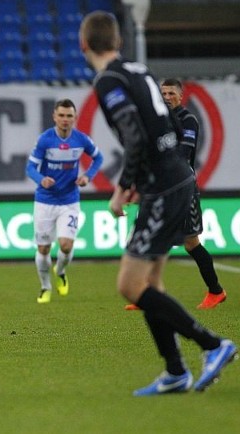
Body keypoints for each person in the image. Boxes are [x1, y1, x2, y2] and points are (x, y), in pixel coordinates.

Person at [79, 11, 237, 395]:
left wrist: (124, 185)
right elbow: (163, 124)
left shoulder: (108, 81)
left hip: (164, 187)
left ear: (84, 46)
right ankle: (175, 372)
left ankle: (213, 345)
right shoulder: (138, 69)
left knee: (130, 285)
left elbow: (133, 136)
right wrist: (146, 176)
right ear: (118, 41)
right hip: (174, 177)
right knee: (150, 282)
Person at [124, 78, 228, 311]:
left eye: (171, 93)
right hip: (160, 188)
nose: (167, 96)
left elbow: (184, 152)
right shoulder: (159, 122)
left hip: (183, 188)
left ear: (181, 96)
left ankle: (216, 290)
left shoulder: (187, 120)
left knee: (191, 243)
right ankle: (146, 294)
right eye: (163, 93)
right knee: (154, 239)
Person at [26, 99, 103, 304]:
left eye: (69, 116)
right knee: (43, 249)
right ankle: (45, 287)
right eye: (61, 115)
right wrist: (41, 179)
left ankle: (60, 271)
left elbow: (98, 158)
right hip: (45, 201)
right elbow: (30, 168)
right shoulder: (45, 140)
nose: (65, 120)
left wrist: (88, 176)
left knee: (66, 246)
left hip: (69, 200)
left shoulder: (81, 140)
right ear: (54, 117)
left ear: (75, 118)